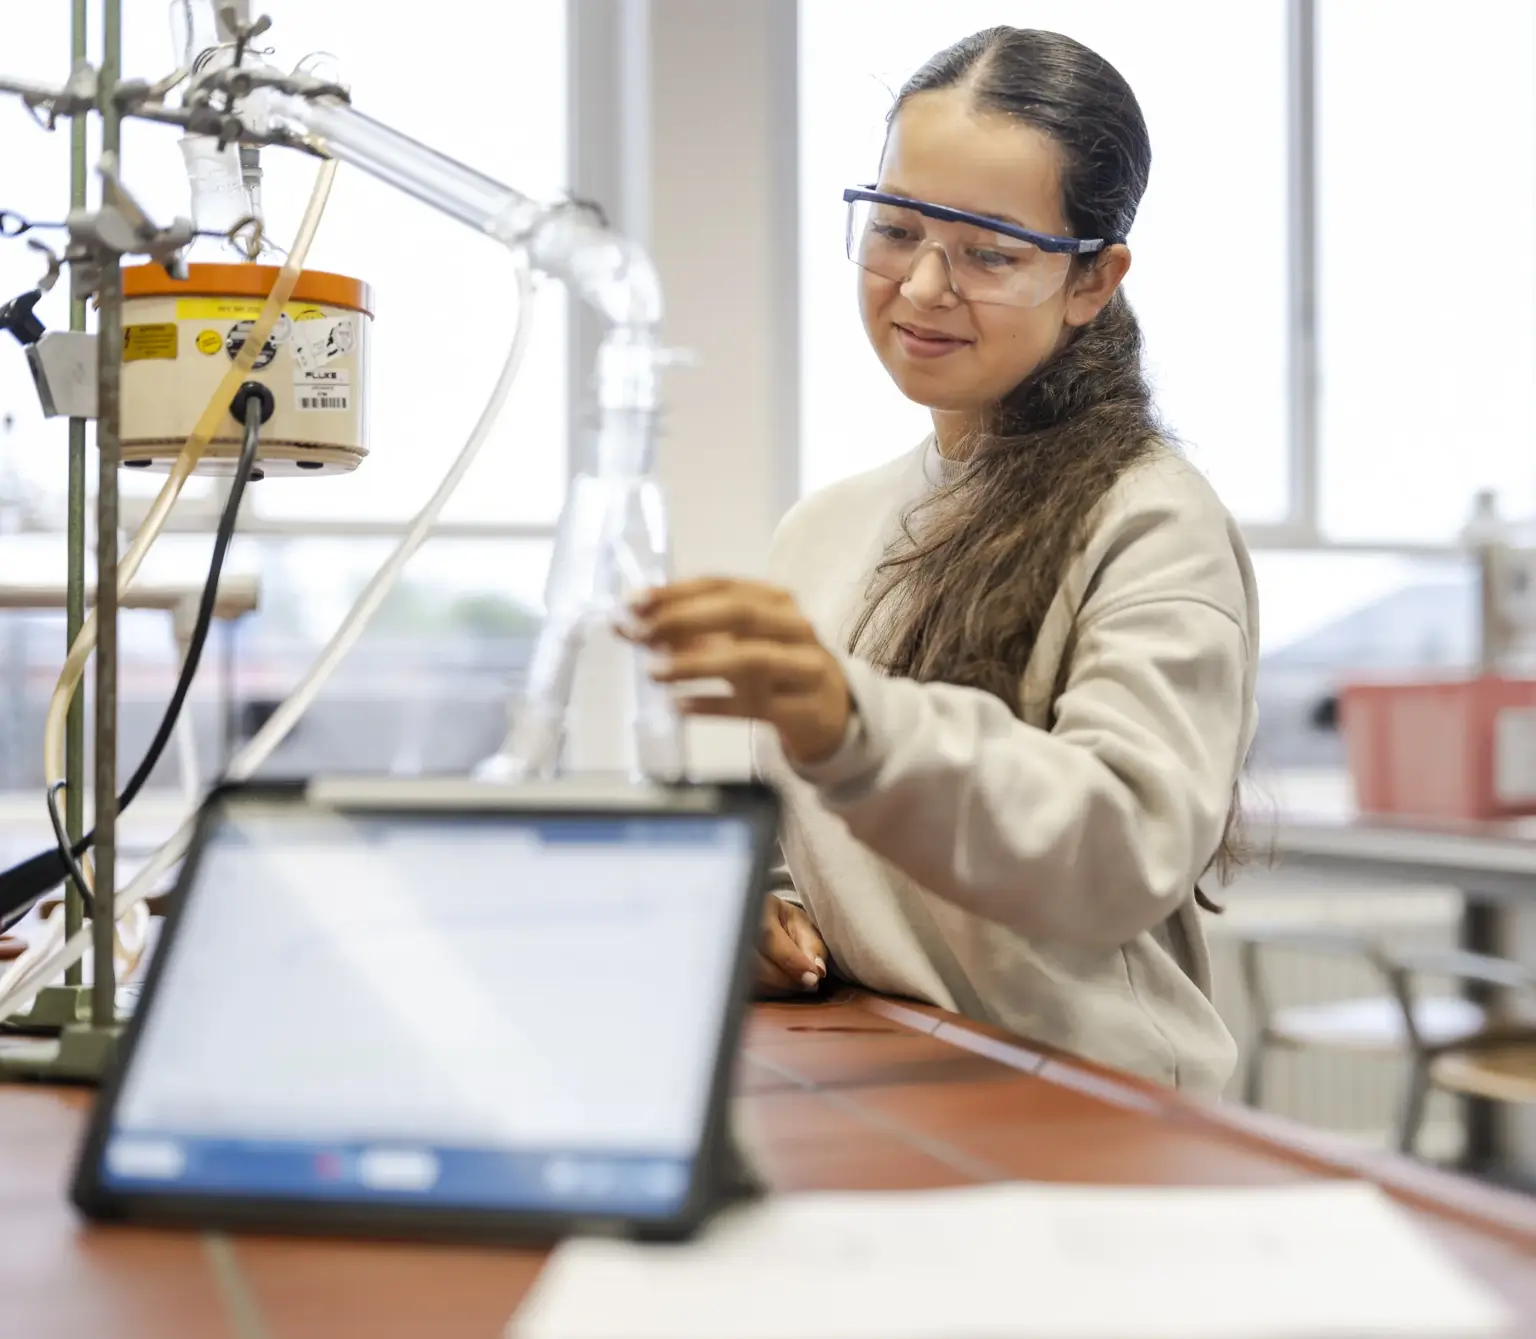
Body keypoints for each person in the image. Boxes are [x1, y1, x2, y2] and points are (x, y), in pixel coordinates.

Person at [630, 26, 1258, 1094]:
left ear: (1092, 280)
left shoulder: (1150, 520)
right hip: (904, 1071)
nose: (921, 287)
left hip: (1097, 1108)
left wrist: (852, 724)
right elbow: (820, 852)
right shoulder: (822, 527)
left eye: (989, 252)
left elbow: (1119, 850)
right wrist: (765, 917)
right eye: (897, 227)